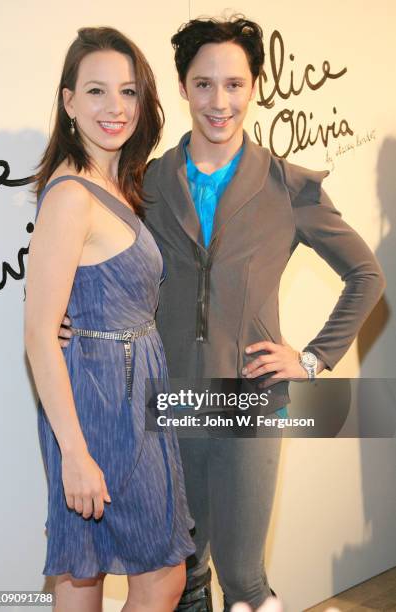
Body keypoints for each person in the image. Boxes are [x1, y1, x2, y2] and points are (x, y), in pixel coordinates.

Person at [58, 16, 385, 611]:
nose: (219, 101)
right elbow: (109, 266)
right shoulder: (144, 181)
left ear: (255, 86)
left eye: (234, 84)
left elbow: (367, 275)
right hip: (164, 401)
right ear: (182, 88)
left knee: (244, 578)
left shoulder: (288, 186)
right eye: (204, 84)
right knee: (181, 572)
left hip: (249, 403)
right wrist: (70, 320)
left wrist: (310, 360)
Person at [25, 27, 195, 612]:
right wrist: (74, 453)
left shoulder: (117, 184)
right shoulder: (72, 195)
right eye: (96, 91)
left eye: (127, 91)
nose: (114, 108)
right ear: (68, 101)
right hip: (98, 402)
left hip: (132, 389)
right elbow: (38, 335)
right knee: (127, 575)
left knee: (88, 574)